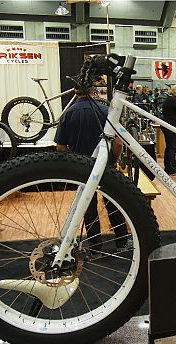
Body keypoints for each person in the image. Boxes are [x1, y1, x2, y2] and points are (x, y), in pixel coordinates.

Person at [54, 87, 129, 252]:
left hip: (82, 168)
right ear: (93, 91)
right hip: (106, 167)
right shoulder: (105, 111)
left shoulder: (67, 114)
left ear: (75, 92)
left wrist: (75, 160)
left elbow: (60, 147)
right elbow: (118, 143)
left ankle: (95, 247)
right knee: (114, 204)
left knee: (88, 207)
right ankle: (122, 242)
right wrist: (113, 162)